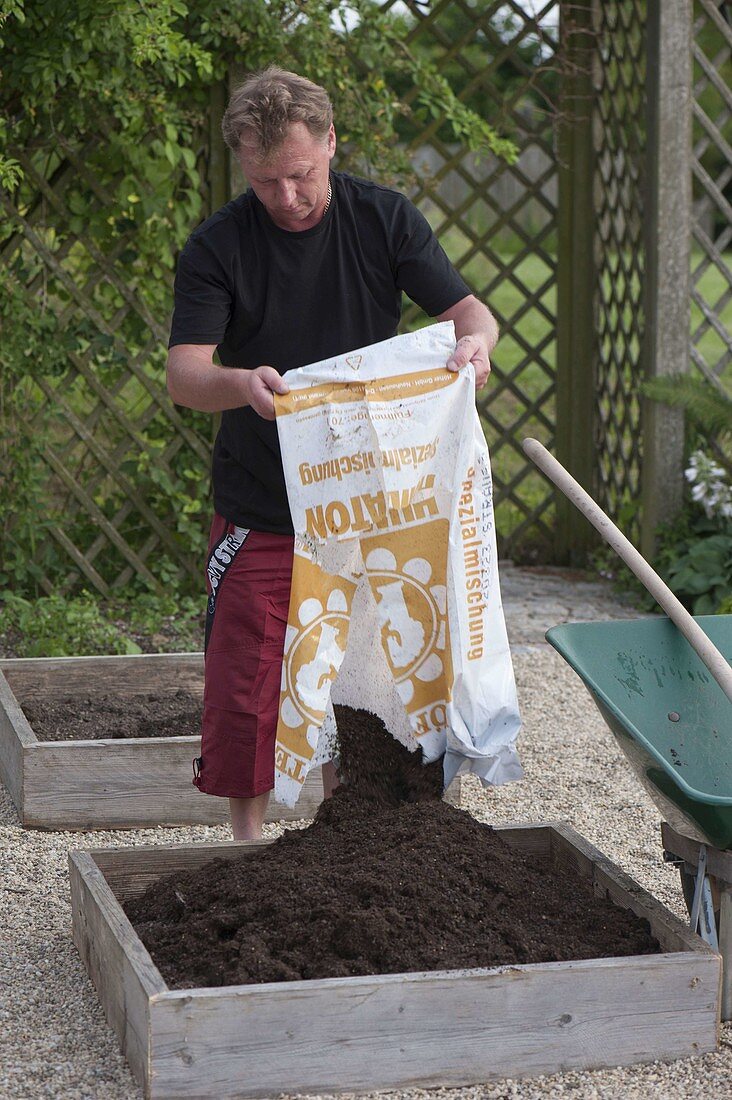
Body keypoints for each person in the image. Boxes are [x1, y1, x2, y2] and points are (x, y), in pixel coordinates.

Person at [166, 67, 499, 841]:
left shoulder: (383, 220)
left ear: (332, 144)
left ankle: (354, 836)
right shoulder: (219, 243)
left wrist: (476, 346)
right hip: (264, 495)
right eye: (266, 181)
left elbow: (469, 313)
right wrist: (241, 383)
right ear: (243, 166)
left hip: (374, 495)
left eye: (302, 176)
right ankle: (248, 843)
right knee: (250, 679)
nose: (286, 198)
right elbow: (186, 373)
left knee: (381, 670)